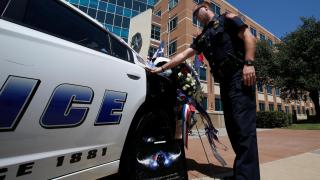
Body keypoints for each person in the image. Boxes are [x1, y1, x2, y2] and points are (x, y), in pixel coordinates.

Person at [147, 1, 260, 180]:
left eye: (196, 12)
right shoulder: (202, 37)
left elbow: (249, 37)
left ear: (206, 7)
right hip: (225, 83)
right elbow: (183, 55)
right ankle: (243, 173)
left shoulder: (227, 19)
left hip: (239, 76)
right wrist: (161, 68)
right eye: (193, 15)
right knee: (234, 130)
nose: (195, 16)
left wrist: (249, 63)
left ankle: (247, 177)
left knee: (244, 130)